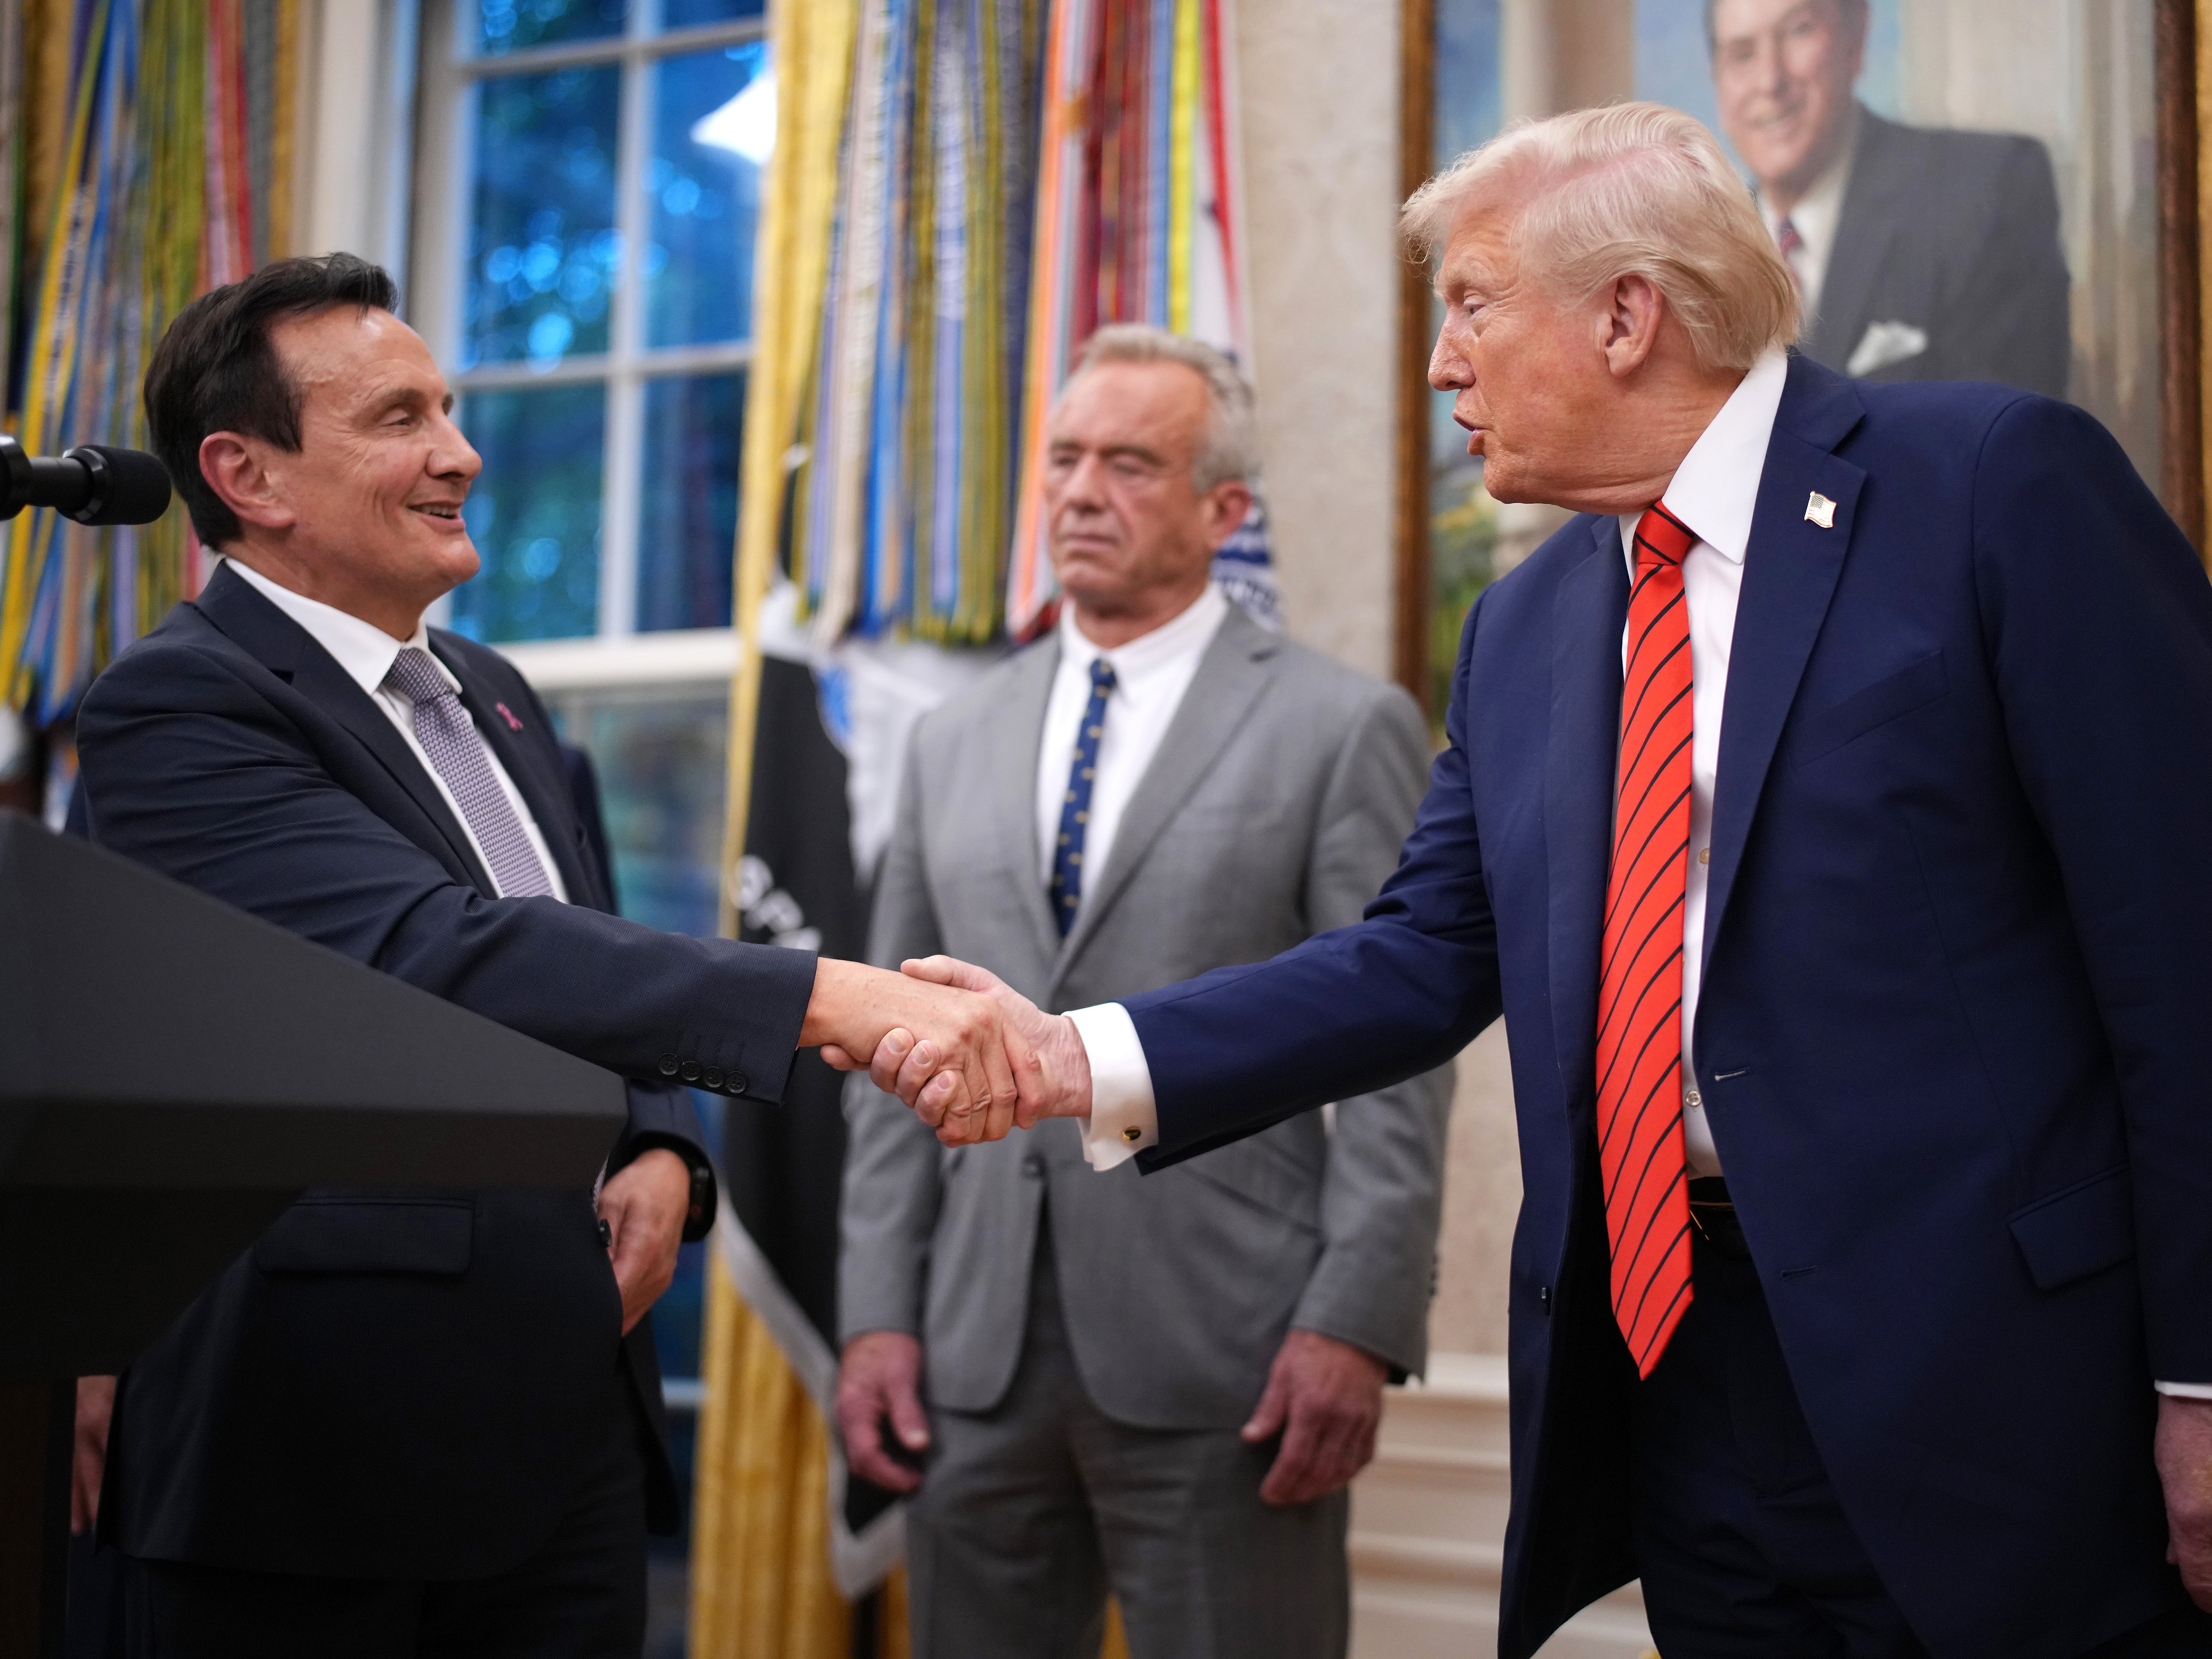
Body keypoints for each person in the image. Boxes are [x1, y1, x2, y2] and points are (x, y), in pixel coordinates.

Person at [845, 105, 2212, 1657]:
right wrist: (1071, 1053)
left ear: (1628, 315)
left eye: (1474, 306)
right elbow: (1416, 961)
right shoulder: (1530, 626)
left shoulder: (1985, 487)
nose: (1443, 366)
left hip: (2003, 1381)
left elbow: (2186, 953)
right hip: (1681, 1384)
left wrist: (2207, 1374)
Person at [70, 253, 1034, 1657]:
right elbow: (430, 952)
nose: (460, 452)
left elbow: (578, 951)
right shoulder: (178, 706)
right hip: (319, 1452)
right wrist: (829, 996)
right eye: (398, 419)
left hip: (565, 1425)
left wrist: (659, 1144)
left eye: (448, 409)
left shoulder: (496, 696)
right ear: (248, 476)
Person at [834, 325, 1452, 1659]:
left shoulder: (1341, 727)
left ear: (1224, 510)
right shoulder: (952, 741)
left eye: (1127, 464)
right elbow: (893, 1049)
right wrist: (877, 1307)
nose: (1075, 491)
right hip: (969, 1352)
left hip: (1230, 1349)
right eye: (1062, 458)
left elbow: (1400, 1047)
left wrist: (1355, 1318)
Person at [1708, 0, 2070, 397]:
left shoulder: (1989, 190)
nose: (1770, 80)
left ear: (1856, 37)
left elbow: (2007, 444)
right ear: (1718, 82)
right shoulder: (1702, 252)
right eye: (1742, 54)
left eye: (1799, 31)